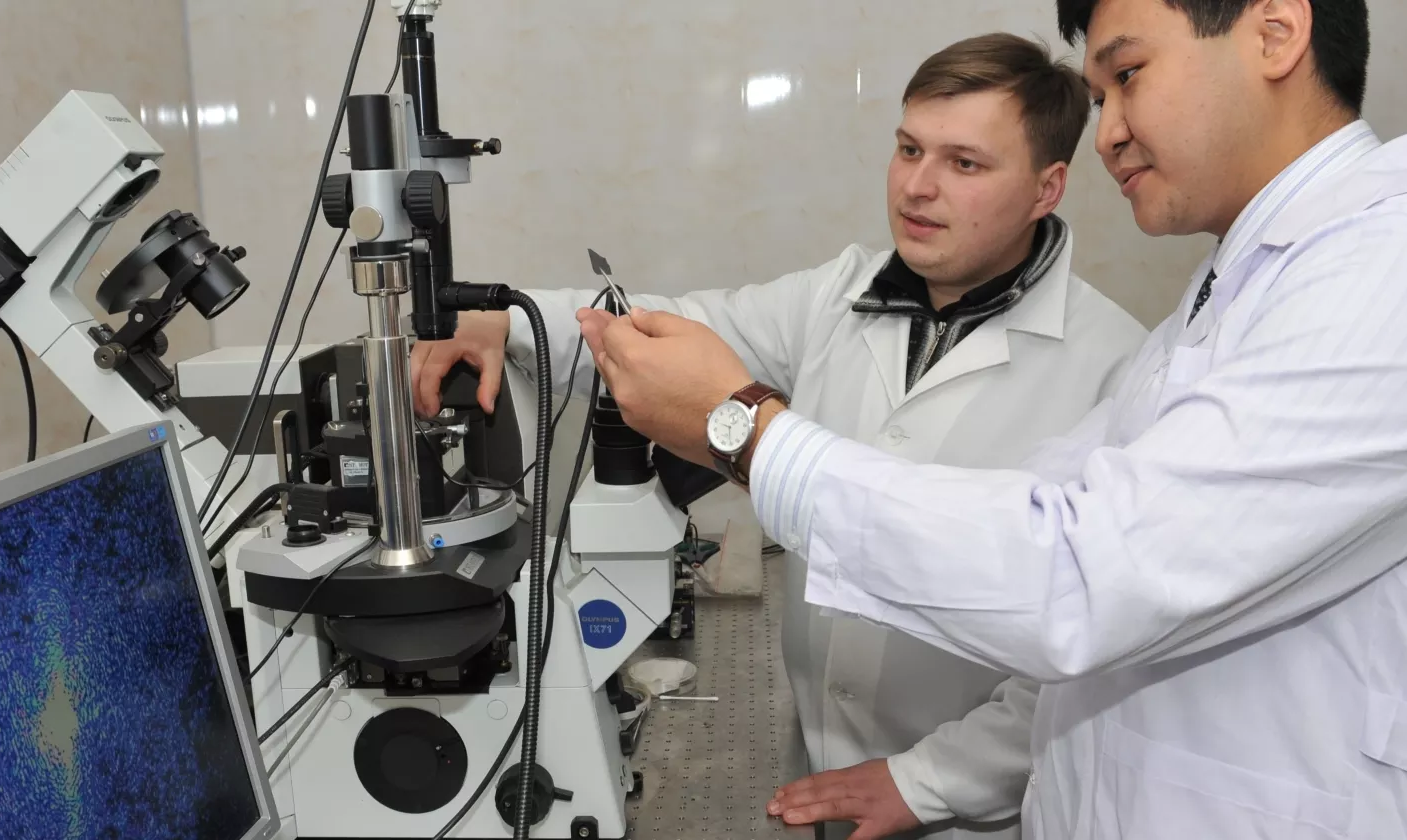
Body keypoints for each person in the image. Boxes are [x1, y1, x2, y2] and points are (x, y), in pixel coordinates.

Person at [577, 0, 1407, 837]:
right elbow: (1020, 514)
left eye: (1126, 75)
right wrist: (512, 324)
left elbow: (1078, 575)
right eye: (1099, 91)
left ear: (1276, 32)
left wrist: (743, 432)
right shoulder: (1237, 301)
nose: (1106, 126)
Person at [412, 34, 1146, 840]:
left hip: (978, 810)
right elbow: (676, 326)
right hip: (818, 769)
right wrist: (506, 321)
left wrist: (926, 783)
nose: (918, 187)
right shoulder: (841, 294)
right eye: (908, 150)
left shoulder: (1113, 365)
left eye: (964, 164)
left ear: (1047, 189)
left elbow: (1090, 661)